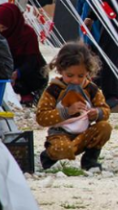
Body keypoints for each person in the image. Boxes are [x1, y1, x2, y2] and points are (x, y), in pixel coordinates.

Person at [35, 42, 111, 171]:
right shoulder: (54, 90)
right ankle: (49, 155)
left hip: (84, 133)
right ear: (61, 70)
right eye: (70, 75)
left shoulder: (91, 89)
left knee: (104, 127)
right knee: (63, 149)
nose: (75, 80)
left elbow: (105, 110)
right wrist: (67, 112)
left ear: (88, 72)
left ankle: (89, 160)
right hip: (59, 135)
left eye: (81, 76)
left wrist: (97, 113)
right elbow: (41, 117)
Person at [0, 3, 48, 105]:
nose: (1, 31)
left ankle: (28, 94)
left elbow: (32, 61)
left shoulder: (28, 34)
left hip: (31, 72)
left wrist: (17, 73)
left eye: (4, 27)